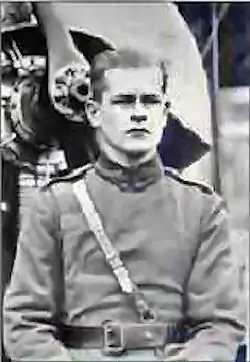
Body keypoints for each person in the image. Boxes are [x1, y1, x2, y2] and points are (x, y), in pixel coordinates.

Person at [3, 48, 245, 361]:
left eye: (150, 101)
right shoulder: (56, 205)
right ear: (93, 112)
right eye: (124, 101)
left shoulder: (200, 208)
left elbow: (220, 324)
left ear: (165, 111)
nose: (139, 113)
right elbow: (24, 324)